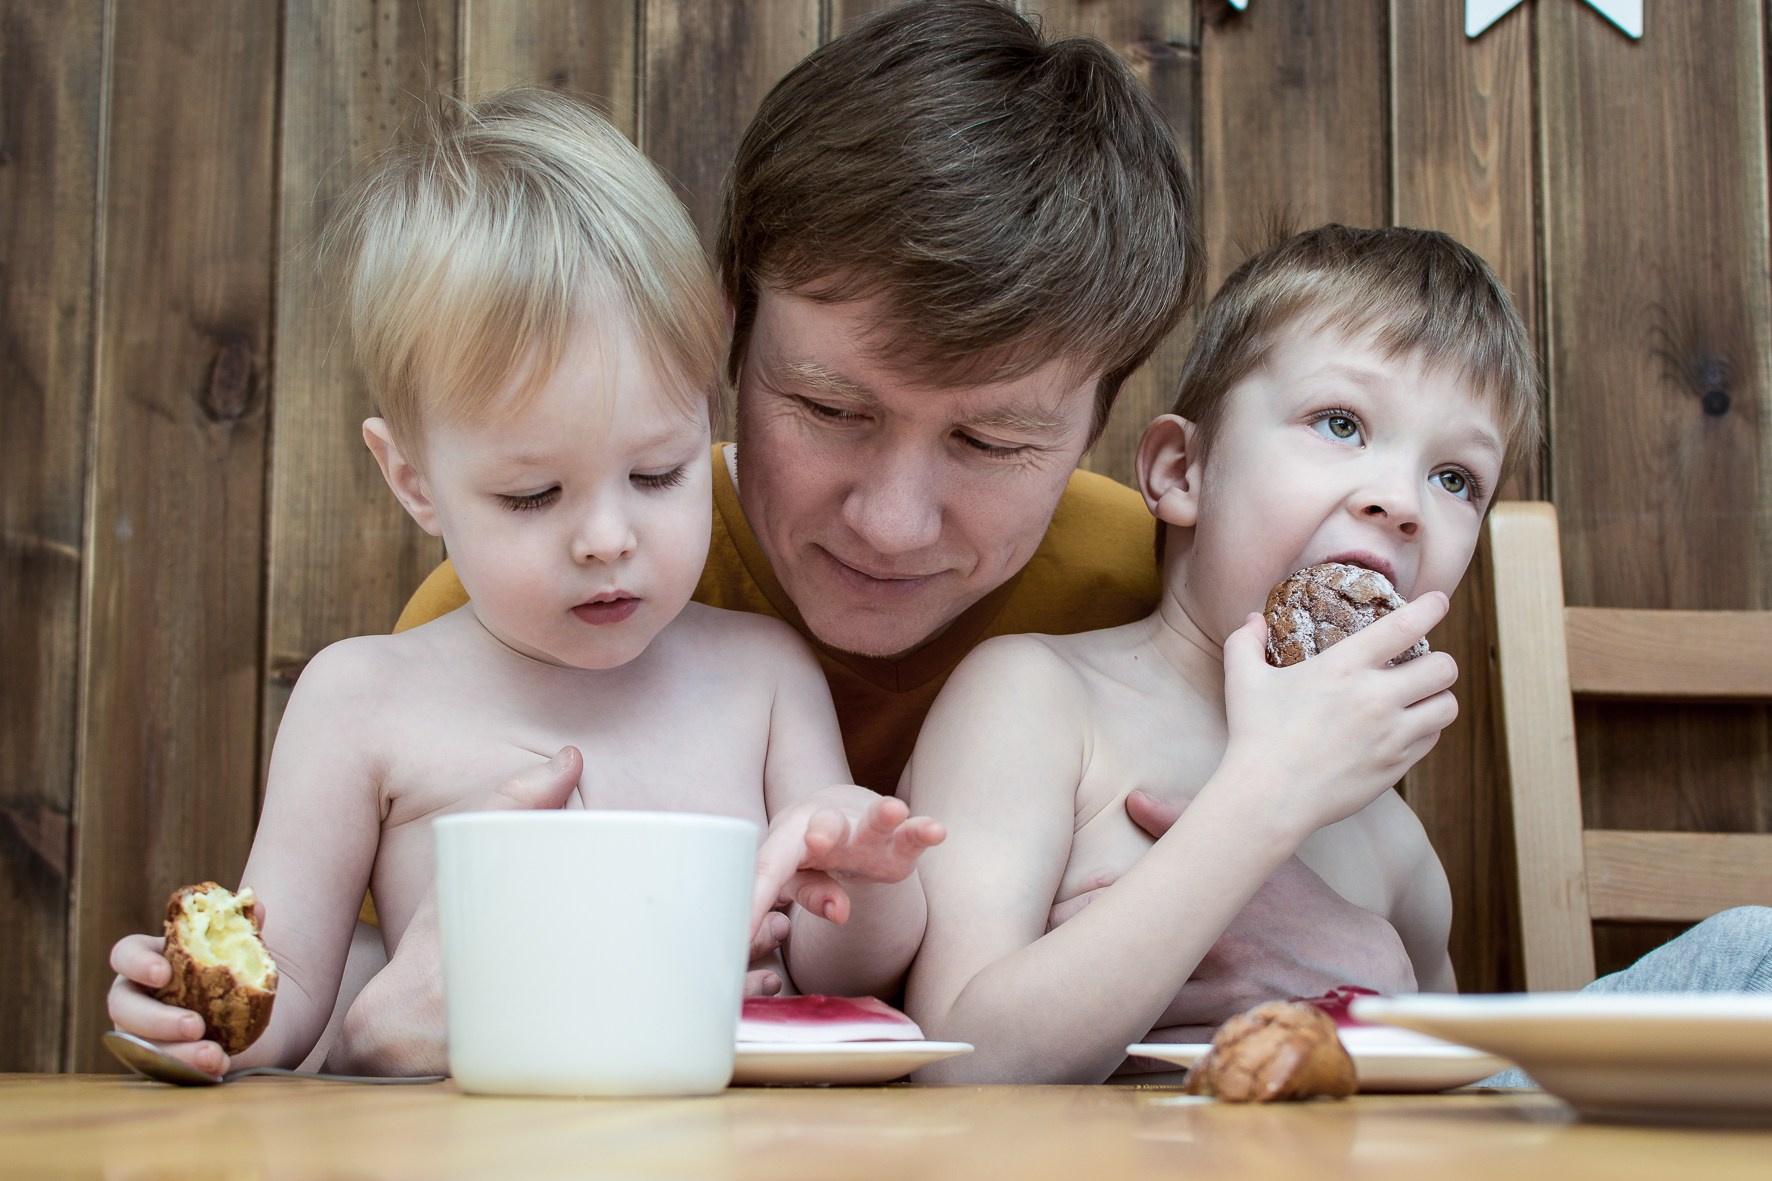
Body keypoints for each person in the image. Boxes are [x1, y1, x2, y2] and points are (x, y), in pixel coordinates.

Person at [385, 0, 1422, 1043]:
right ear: (726, 335)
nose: (888, 522)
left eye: (991, 443)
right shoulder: (516, 612)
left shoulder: (1157, 594)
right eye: (829, 410)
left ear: (1102, 422)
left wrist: (1366, 975)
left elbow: (1356, 877)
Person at [103, 87, 943, 1076]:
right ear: (412, 480)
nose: (604, 538)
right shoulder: (361, 702)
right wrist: (196, 1015)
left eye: (656, 473)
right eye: (532, 492)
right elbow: (281, 1000)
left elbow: (841, 964)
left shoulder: (759, 672)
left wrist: (867, 878)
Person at [901, 224, 1542, 1083]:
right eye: (1341, 422)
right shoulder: (1039, 700)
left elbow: (1455, 1114)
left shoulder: (1391, 841)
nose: (1402, 501)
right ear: (1181, 471)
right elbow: (959, 1068)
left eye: (1457, 477)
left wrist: (1392, 1010)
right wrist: (1261, 800)